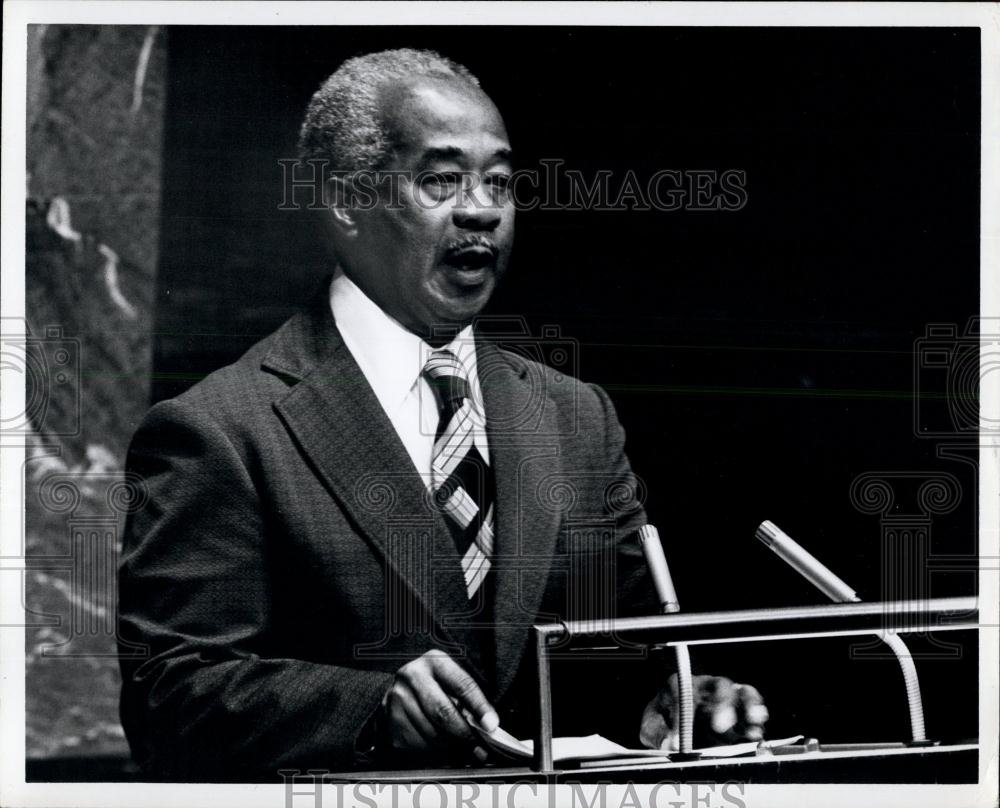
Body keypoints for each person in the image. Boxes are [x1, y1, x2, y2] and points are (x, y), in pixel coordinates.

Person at [117, 48, 767, 782]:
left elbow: (618, 664)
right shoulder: (220, 431)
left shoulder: (576, 417)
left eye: (499, 181)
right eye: (441, 179)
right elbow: (166, 699)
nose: (482, 209)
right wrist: (372, 709)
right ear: (343, 201)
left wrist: (668, 701)